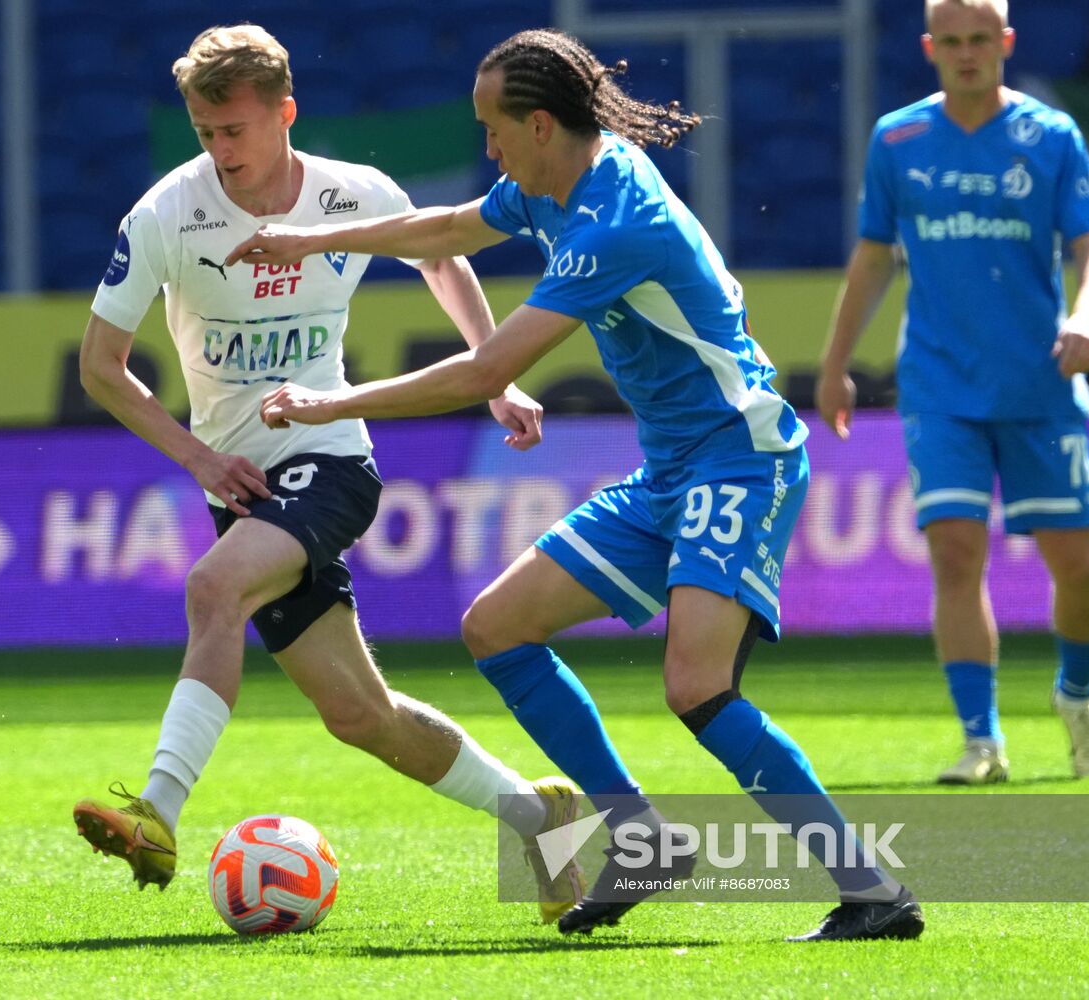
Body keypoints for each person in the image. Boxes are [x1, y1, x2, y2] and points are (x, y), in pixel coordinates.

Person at [227, 28, 923, 942]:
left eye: (493, 129)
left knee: (695, 688)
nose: (488, 147)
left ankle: (874, 893)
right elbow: (443, 229)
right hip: (673, 467)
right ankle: (639, 838)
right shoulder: (560, 181)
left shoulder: (610, 226)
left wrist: (329, 404)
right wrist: (307, 238)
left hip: (740, 458)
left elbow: (482, 373)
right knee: (496, 628)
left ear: (542, 124)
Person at [70, 23, 589, 925]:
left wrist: (493, 378)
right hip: (235, 485)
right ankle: (537, 816)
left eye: (232, 130)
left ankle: (157, 812)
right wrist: (197, 456)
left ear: (284, 114)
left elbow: (440, 258)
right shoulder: (165, 214)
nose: (219, 151)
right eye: (203, 133)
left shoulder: (356, 196)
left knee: (213, 590)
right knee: (360, 716)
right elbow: (99, 368)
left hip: (330, 457)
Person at [815, 0, 1089, 785]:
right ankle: (980, 740)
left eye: (979, 38)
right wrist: (834, 361)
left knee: (1076, 566)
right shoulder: (898, 137)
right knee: (954, 553)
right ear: (928, 49)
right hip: (938, 384)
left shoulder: (1050, 137)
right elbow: (873, 255)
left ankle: (1076, 696)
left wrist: (1086, 313)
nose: (965, 52)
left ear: (1005, 43)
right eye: (949, 41)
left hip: (1039, 382)